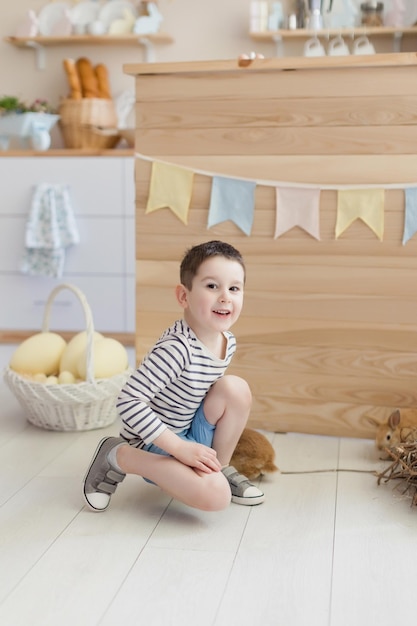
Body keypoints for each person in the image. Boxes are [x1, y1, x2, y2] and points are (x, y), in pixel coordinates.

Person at [83, 240, 265, 512]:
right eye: (212, 286)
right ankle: (117, 455)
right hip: (154, 439)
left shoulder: (227, 340)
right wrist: (179, 448)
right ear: (184, 296)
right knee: (216, 498)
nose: (225, 296)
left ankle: (220, 466)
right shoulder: (176, 349)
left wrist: (192, 448)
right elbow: (128, 401)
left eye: (234, 288)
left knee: (235, 388)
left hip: (189, 428)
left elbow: (203, 393)